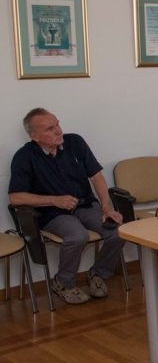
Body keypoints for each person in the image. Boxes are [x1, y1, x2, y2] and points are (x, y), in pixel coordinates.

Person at [9, 108, 125, 305]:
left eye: (57, 124)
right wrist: (54, 200)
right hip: (52, 213)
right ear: (34, 136)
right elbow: (16, 197)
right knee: (78, 236)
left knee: (119, 231)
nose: (58, 131)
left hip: (85, 205)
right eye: (50, 128)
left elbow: (96, 176)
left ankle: (98, 274)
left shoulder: (75, 142)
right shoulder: (24, 156)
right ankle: (63, 282)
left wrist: (107, 207)